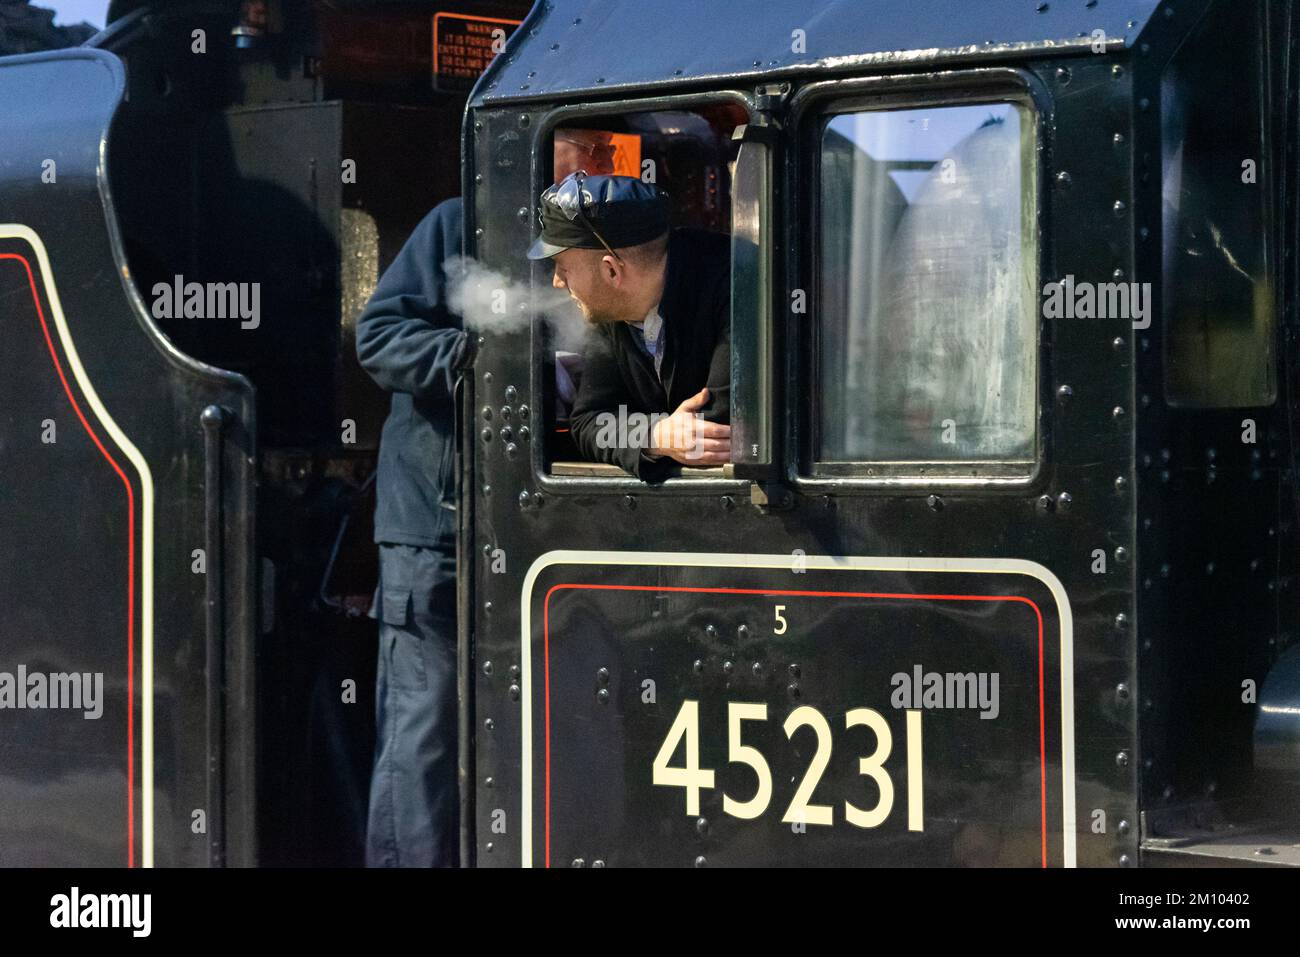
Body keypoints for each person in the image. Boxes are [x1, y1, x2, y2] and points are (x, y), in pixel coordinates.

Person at [355, 131, 617, 867]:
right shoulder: (458, 225)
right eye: (588, 146)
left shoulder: (599, 247)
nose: (602, 163)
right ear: (544, 150)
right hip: (434, 530)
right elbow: (378, 336)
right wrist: (477, 359)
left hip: (538, 530)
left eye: (610, 149)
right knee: (425, 731)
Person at [528, 172, 732, 479]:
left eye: (563, 268)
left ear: (611, 272)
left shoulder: (732, 289)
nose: (557, 282)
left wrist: (641, 431)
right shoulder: (612, 308)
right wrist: (654, 436)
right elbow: (587, 422)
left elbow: (713, 432)